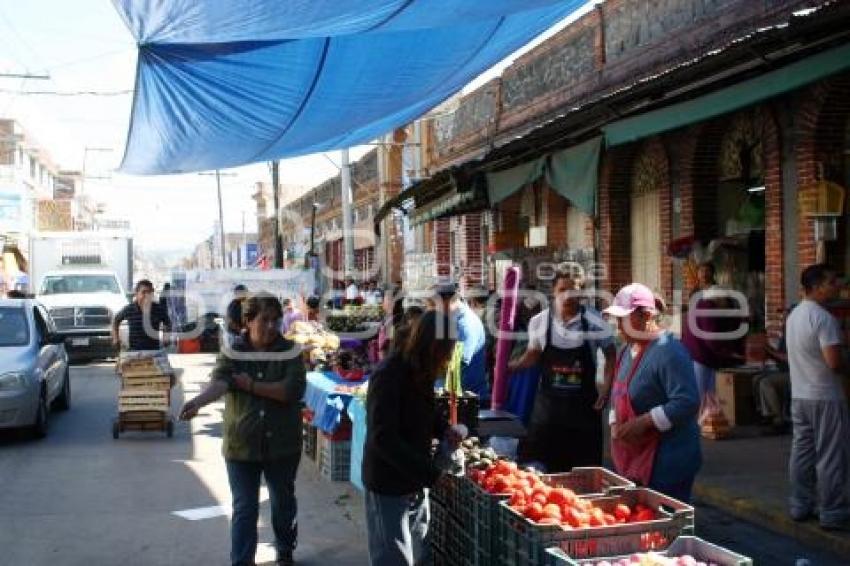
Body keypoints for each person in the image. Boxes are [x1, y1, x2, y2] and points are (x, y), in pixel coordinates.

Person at [179, 293, 307, 565]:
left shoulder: (291, 351)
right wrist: (198, 402)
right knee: (245, 508)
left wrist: (250, 385)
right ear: (248, 321)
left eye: (276, 320)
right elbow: (221, 382)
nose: (272, 326)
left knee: (283, 503)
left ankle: (285, 549)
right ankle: (241, 560)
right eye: (265, 320)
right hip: (242, 444)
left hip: (283, 445)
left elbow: (290, 391)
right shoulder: (232, 352)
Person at [363, 310, 462, 566]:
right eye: (445, 351)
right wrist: (431, 475)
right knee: (394, 558)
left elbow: (424, 411)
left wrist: (443, 430)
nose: (448, 358)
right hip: (388, 483)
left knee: (420, 554)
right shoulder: (389, 375)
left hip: (414, 481)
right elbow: (383, 438)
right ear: (430, 347)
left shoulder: (421, 370)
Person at [508, 271, 616, 472]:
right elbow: (533, 355)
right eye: (562, 290)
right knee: (545, 470)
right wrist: (511, 367)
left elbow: (611, 355)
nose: (567, 295)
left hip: (584, 411)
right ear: (554, 292)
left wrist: (606, 389)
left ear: (582, 293)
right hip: (548, 412)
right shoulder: (539, 322)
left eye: (573, 290)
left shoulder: (595, 321)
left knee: (584, 472)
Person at [604, 283, 701, 502]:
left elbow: (687, 401)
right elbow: (617, 396)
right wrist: (615, 425)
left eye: (623, 319)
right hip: (635, 458)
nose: (618, 326)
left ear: (646, 316)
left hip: (668, 462)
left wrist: (644, 422)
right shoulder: (625, 351)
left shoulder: (668, 351)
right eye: (617, 320)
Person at [785, 264, 850, 530]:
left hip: (800, 394)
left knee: (802, 452)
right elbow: (834, 362)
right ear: (817, 286)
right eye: (832, 281)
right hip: (825, 395)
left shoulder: (795, 316)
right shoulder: (823, 319)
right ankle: (832, 511)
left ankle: (800, 505)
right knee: (830, 456)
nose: (837, 286)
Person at [681, 262, 745, 408]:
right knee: (702, 393)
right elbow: (711, 339)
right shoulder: (707, 308)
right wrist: (729, 354)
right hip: (700, 356)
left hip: (700, 354)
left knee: (708, 394)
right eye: (723, 300)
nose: (725, 304)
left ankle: (707, 424)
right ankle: (698, 425)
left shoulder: (706, 305)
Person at [433, 281, 489, 401]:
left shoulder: (465, 325)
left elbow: (456, 364)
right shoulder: (452, 321)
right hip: (452, 397)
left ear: (447, 301)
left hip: (465, 400)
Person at [754, 308, 791, 435]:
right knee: (757, 378)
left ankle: (778, 419)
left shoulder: (794, 334)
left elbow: (789, 358)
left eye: (785, 318)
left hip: (794, 374)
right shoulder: (785, 334)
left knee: (766, 383)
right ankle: (764, 414)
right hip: (783, 371)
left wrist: (771, 352)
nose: (783, 321)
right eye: (782, 318)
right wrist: (768, 352)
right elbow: (779, 356)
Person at [111, 279, 170, 351]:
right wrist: (116, 338)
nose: (147, 296)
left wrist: (166, 336)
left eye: (149, 292)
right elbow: (116, 320)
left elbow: (167, 323)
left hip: (154, 351)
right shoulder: (130, 309)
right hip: (134, 352)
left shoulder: (158, 309)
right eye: (144, 292)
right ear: (136, 294)